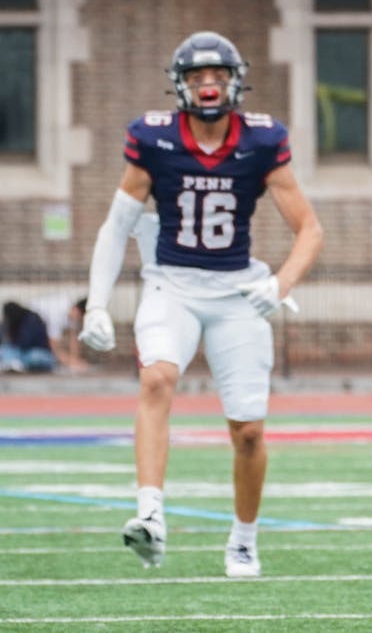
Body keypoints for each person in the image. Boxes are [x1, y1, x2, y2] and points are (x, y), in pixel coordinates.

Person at [78, 31, 323, 578]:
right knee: (156, 379)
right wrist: (97, 303)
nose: (208, 86)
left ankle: (243, 538)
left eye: (216, 76)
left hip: (237, 292)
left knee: (249, 431)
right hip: (173, 286)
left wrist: (278, 285)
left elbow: (309, 229)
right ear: (180, 84)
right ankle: (150, 516)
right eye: (196, 77)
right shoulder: (153, 138)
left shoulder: (261, 141)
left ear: (236, 81)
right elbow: (117, 226)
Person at [1, 301, 56, 373]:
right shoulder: (11, 322)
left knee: (34, 357)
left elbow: (25, 342)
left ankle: (17, 364)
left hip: (38, 353)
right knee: (6, 350)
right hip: (20, 354)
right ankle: (16, 364)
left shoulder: (32, 319)